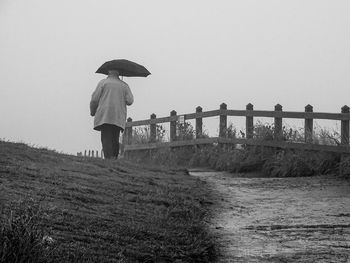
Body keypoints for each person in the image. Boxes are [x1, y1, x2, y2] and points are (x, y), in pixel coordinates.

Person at [90, 70, 134, 159]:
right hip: (118, 115)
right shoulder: (124, 85)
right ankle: (114, 158)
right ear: (118, 73)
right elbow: (130, 101)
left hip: (104, 115)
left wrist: (92, 111)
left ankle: (108, 158)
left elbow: (94, 100)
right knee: (115, 138)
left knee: (106, 137)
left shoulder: (103, 83)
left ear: (108, 72)